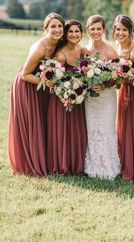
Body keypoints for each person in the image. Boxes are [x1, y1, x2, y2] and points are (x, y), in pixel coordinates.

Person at [8, 13, 65, 176]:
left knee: (42, 122)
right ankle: (30, 163)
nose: (57, 29)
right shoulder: (39, 48)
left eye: (59, 26)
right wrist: (46, 83)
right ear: (45, 28)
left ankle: (45, 160)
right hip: (27, 86)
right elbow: (24, 74)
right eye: (53, 26)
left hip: (40, 86)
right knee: (33, 124)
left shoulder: (59, 43)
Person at [82, 15, 120, 179]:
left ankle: (109, 167)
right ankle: (92, 165)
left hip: (106, 98)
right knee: (92, 129)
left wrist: (104, 85)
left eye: (99, 28)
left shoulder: (110, 51)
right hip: (90, 99)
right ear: (87, 30)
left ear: (104, 30)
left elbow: (118, 78)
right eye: (92, 28)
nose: (96, 31)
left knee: (106, 129)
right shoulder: (83, 51)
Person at [47, 20, 87, 175]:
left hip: (77, 98)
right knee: (63, 131)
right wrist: (68, 92)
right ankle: (61, 165)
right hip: (61, 99)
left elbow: (86, 67)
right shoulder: (60, 55)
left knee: (75, 131)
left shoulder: (80, 49)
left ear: (81, 34)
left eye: (77, 31)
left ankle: (76, 164)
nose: (74, 34)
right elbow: (55, 80)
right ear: (65, 33)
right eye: (70, 31)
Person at [113, 15, 134, 180]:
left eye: (124, 30)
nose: (120, 33)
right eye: (117, 29)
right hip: (123, 92)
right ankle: (123, 162)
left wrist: (125, 78)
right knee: (123, 127)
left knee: (133, 127)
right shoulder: (116, 47)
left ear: (130, 31)